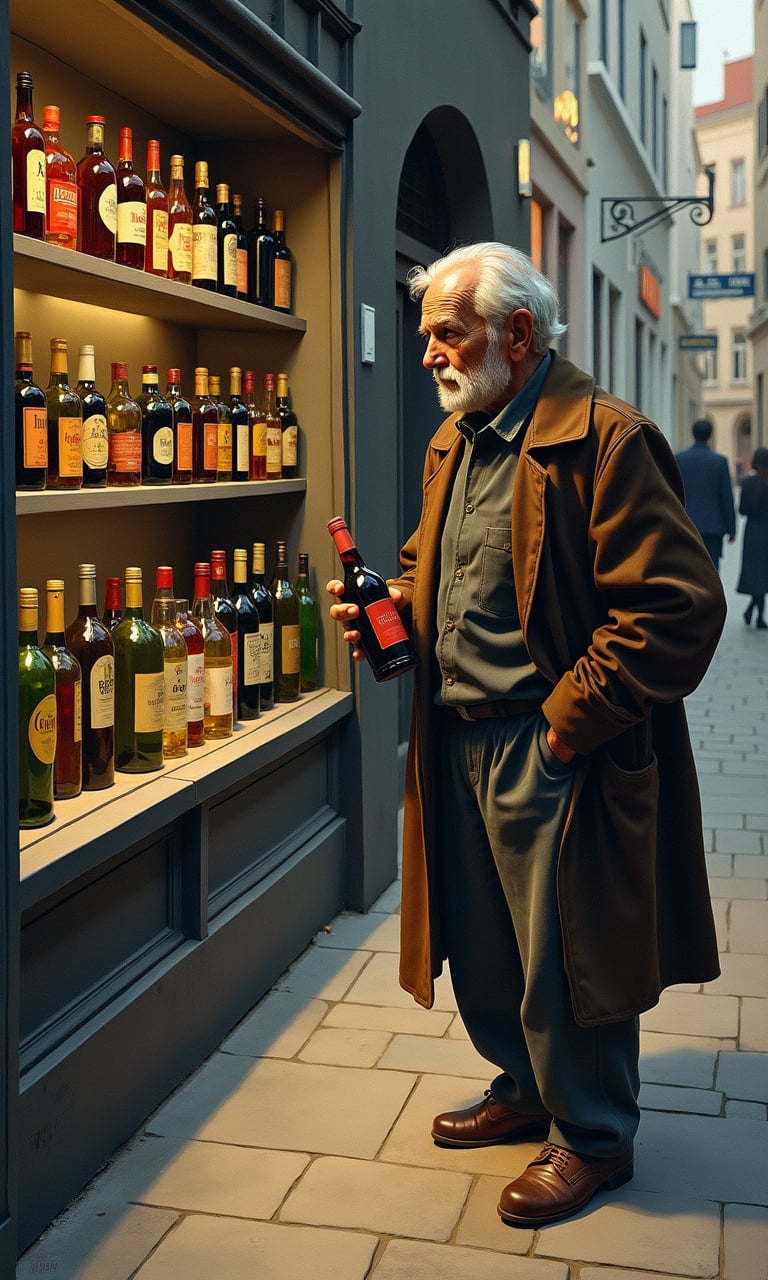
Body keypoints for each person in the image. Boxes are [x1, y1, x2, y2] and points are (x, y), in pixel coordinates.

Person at [328, 242, 725, 1228]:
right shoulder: (455, 440)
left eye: (445, 333)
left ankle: (594, 1135)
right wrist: (392, 605)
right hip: (456, 734)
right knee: (490, 939)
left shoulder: (607, 439)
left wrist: (561, 730)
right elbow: (435, 566)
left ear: (517, 333)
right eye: (423, 338)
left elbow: (675, 608)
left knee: (567, 950)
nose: (429, 355)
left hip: (553, 745)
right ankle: (523, 1083)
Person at [674, 417, 736, 570]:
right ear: (710, 435)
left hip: (686, 523)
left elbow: (673, 492)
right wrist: (731, 528)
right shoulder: (720, 461)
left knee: (688, 568)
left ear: (692, 434)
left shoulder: (679, 459)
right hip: (713, 526)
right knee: (711, 568)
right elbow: (726, 497)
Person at [736, 446, 768, 629]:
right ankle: (758, 616)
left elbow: (742, 510)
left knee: (756, 573)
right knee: (764, 573)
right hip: (766, 530)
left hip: (752, 531)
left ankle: (752, 610)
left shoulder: (748, 483)